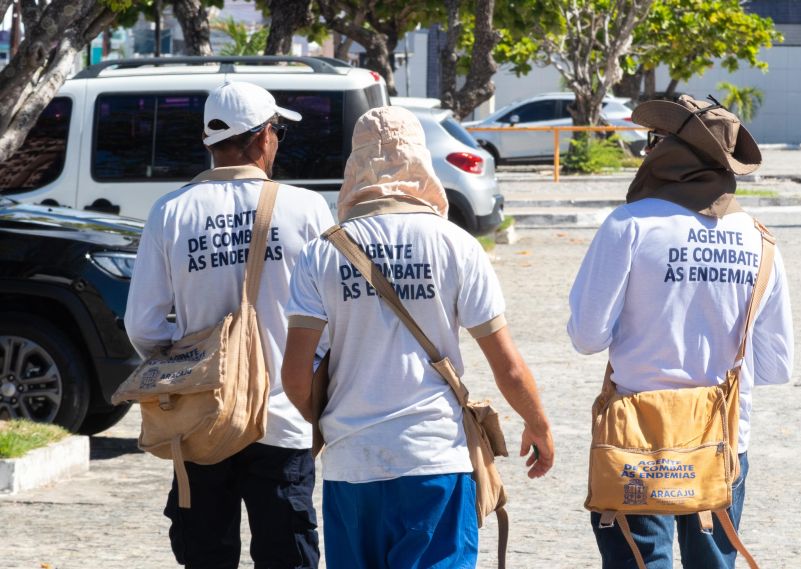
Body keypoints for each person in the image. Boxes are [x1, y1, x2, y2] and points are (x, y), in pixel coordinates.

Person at [281, 106, 555, 568]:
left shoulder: (320, 253)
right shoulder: (456, 245)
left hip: (353, 467)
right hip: (435, 460)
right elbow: (505, 364)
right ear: (420, 162)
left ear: (355, 167)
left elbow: (294, 377)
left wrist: (334, 422)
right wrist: (539, 425)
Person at [567, 95, 794, 568]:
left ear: (668, 154)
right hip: (724, 438)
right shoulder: (760, 239)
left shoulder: (629, 225)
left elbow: (587, 337)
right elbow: (775, 367)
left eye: (655, 142)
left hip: (639, 437)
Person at [125, 81, 334, 569]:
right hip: (284, 419)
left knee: (206, 556)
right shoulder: (305, 208)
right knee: (289, 556)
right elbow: (334, 318)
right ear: (263, 138)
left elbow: (143, 326)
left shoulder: (170, 212)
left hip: (200, 421)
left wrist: (185, 371)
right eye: (278, 130)